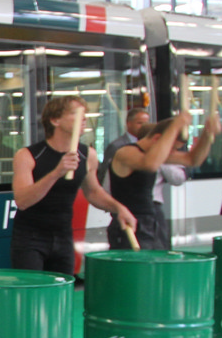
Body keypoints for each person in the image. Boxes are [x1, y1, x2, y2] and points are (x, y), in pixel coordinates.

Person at [11, 95, 136, 274]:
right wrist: (56, 173)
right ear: (55, 120)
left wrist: (119, 208)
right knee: (32, 288)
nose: (83, 118)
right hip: (30, 237)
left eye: (84, 114)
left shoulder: (88, 155)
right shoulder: (28, 155)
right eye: (75, 114)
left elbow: (93, 192)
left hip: (64, 234)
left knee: (63, 287)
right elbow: (23, 201)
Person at [108, 112, 219, 250]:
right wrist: (175, 126)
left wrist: (207, 135)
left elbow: (192, 160)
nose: (171, 153)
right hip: (128, 222)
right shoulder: (126, 152)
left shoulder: (151, 154)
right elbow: (150, 164)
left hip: (150, 220)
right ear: (157, 139)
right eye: (171, 147)